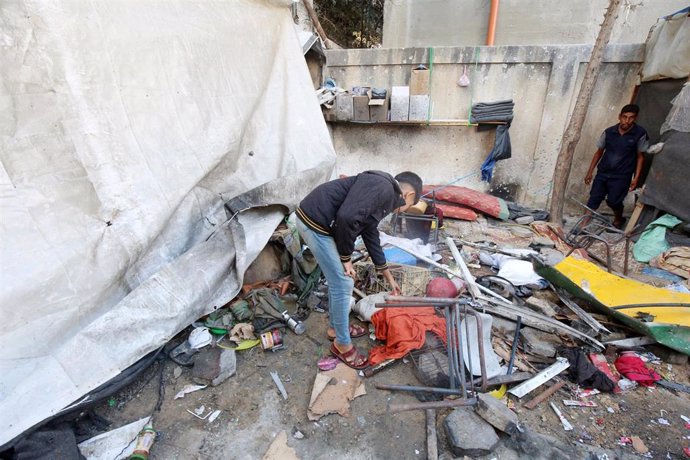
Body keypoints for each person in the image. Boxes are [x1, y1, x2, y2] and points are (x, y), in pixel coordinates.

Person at [295, 170, 423, 369]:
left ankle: (336, 330)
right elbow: (346, 217)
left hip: (318, 221)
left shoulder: (383, 192)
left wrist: (388, 276)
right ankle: (342, 345)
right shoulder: (385, 188)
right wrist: (346, 258)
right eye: (408, 207)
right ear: (409, 195)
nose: (403, 211)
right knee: (343, 282)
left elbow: (370, 233)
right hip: (314, 223)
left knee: (340, 280)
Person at [584, 104, 649, 228]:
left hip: (622, 175)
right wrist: (590, 171)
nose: (627, 121)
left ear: (635, 118)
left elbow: (641, 157)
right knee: (594, 198)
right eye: (624, 117)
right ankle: (583, 225)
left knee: (614, 201)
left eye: (631, 118)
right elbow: (599, 152)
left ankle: (619, 219)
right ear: (619, 116)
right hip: (603, 172)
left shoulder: (640, 134)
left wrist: (636, 178)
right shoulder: (609, 132)